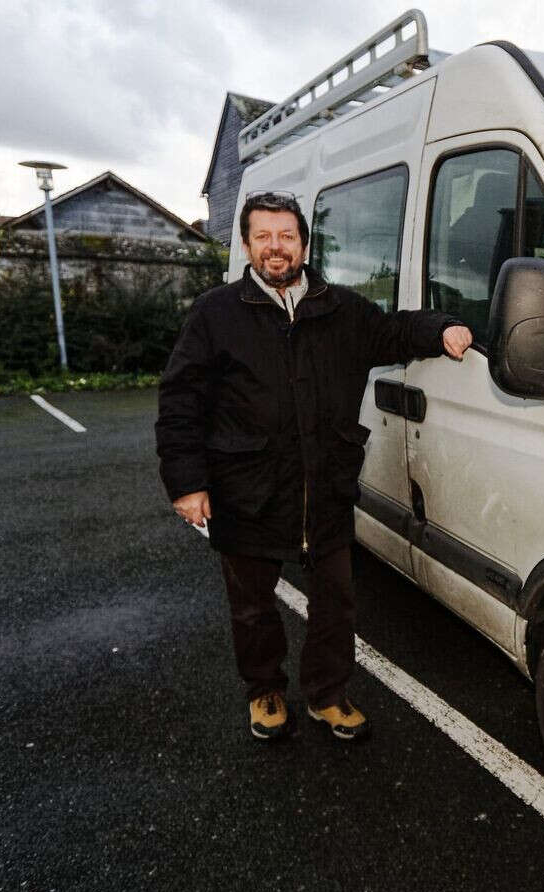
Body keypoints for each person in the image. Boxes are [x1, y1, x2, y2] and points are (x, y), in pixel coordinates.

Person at [155, 191, 472, 742]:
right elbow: (181, 402)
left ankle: (327, 695)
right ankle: (265, 692)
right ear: (249, 245)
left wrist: (441, 328)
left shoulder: (341, 309)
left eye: (286, 237)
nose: (275, 248)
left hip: (325, 491)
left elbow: (394, 331)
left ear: (303, 242)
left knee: (337, 606)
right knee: (253, 610)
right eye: (263, 237)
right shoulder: (216, 314)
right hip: (245, 493)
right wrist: (187, 483)